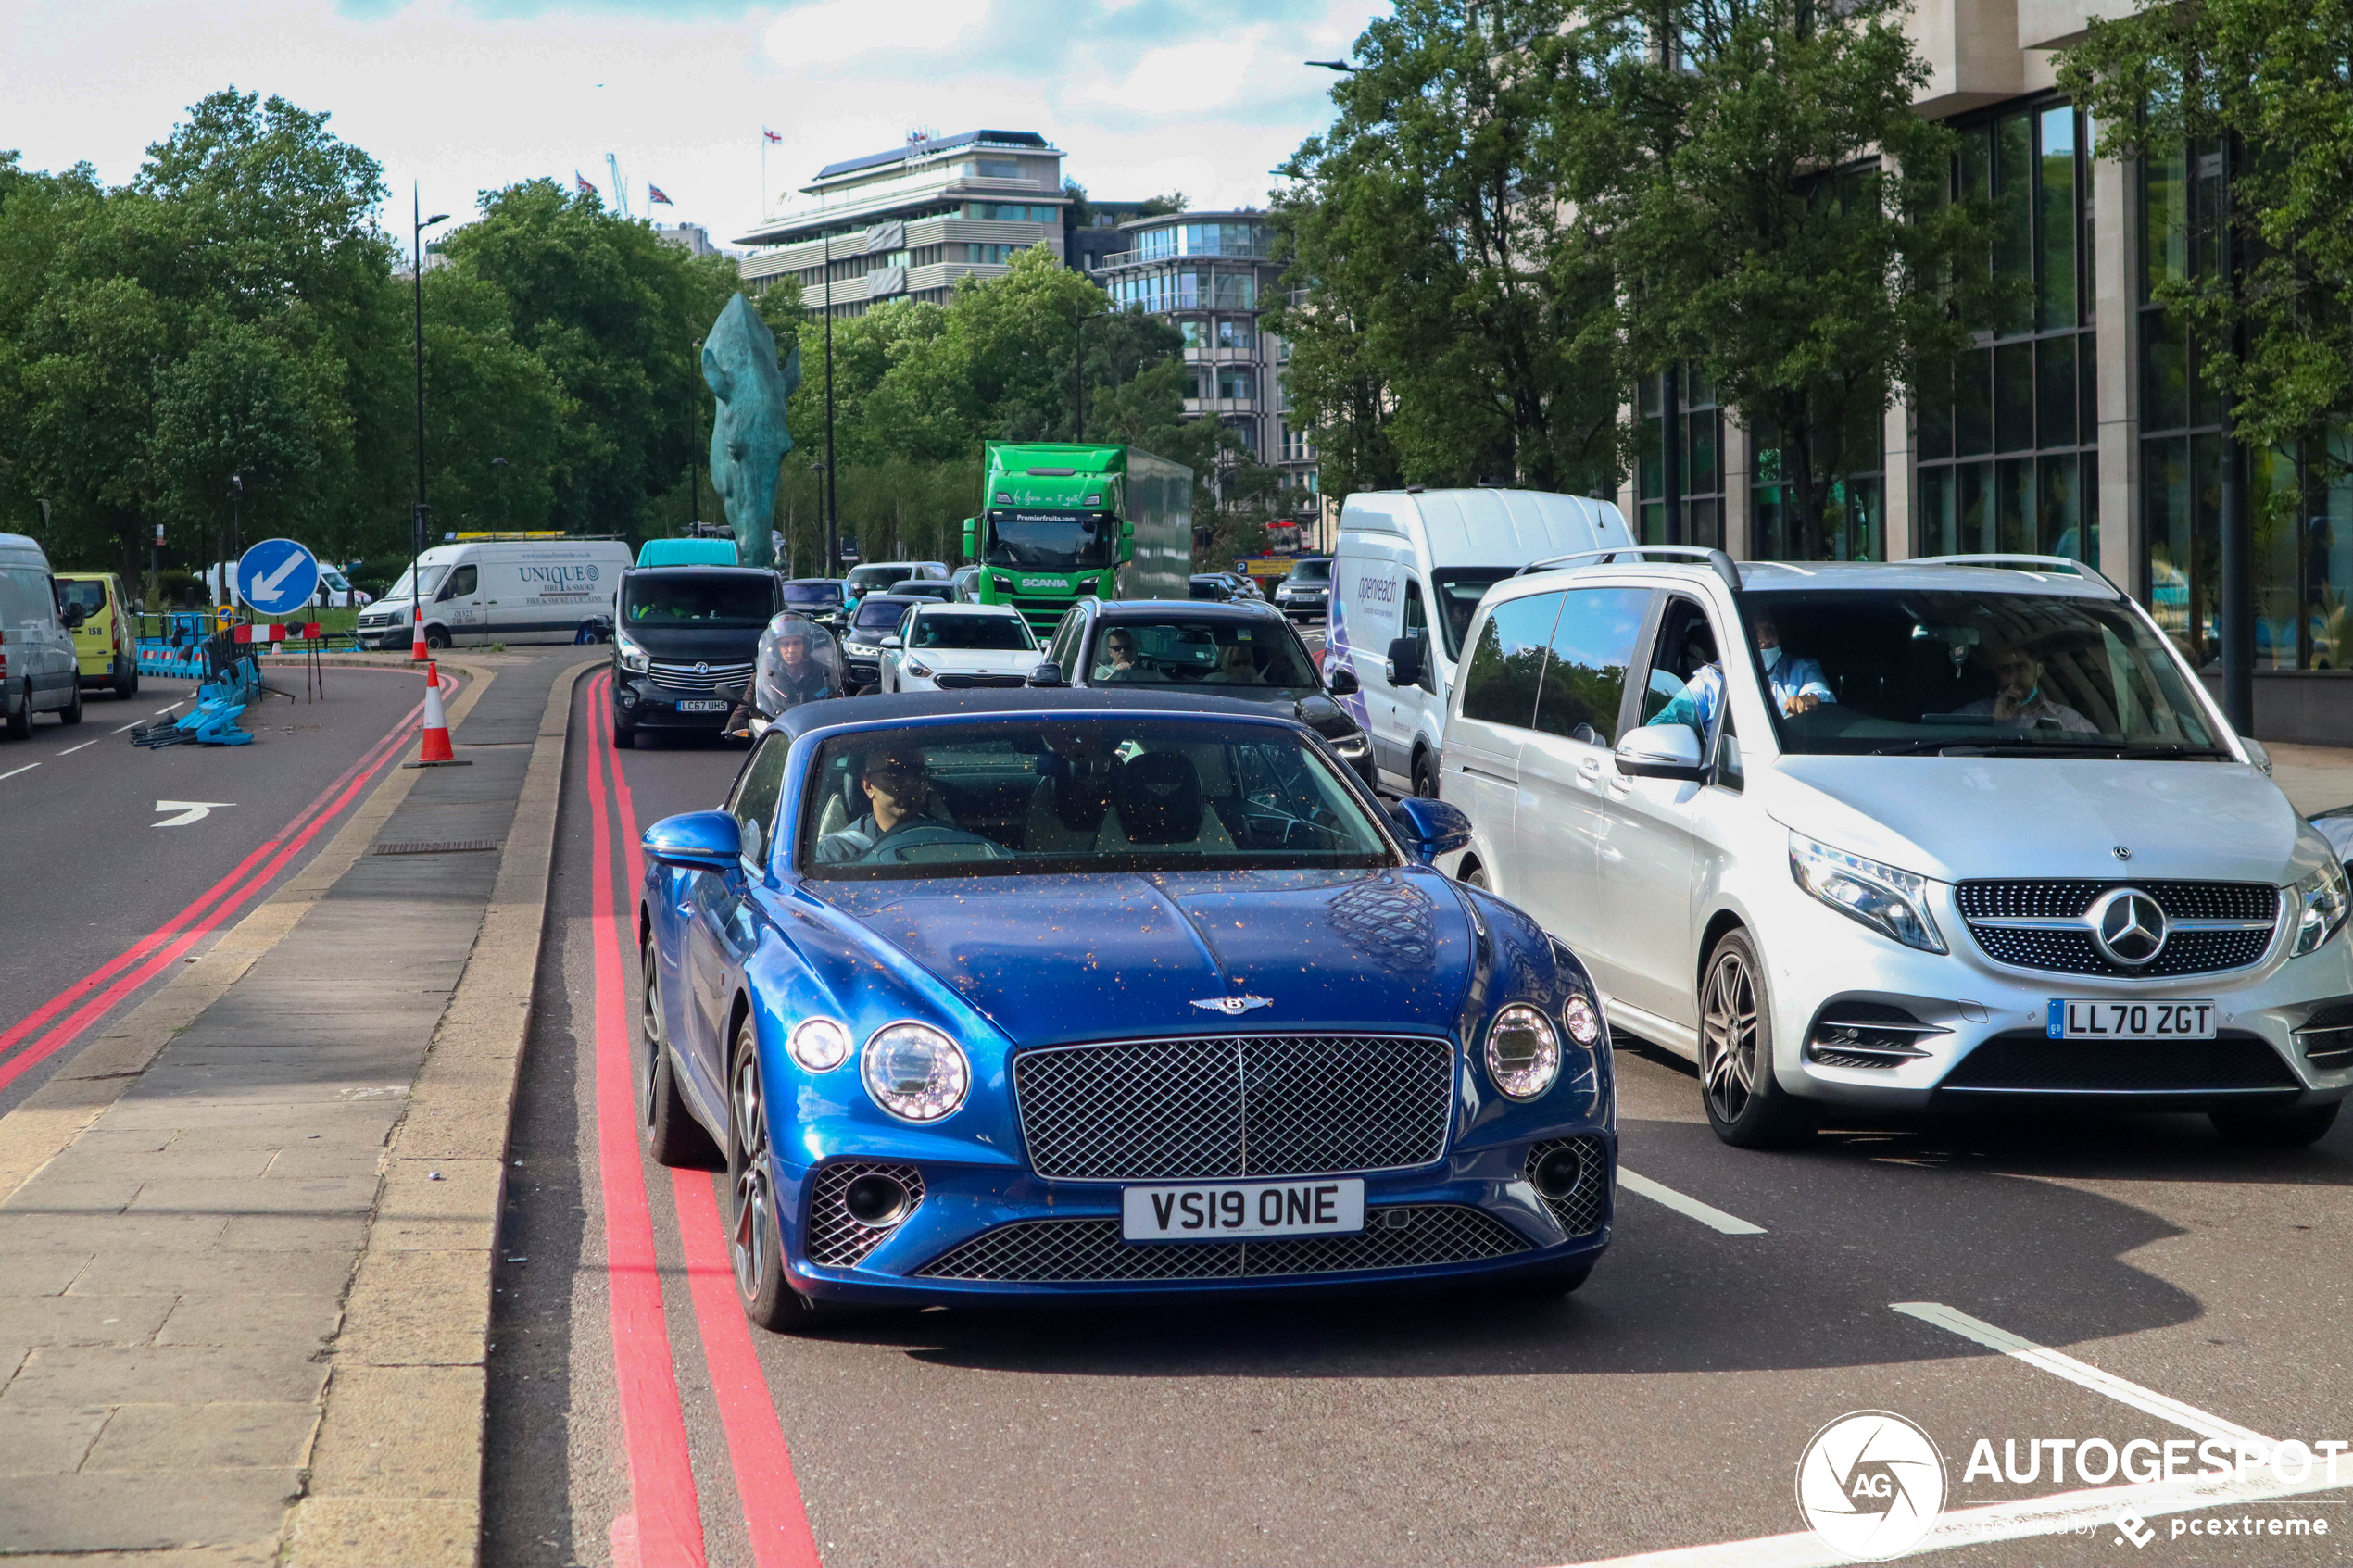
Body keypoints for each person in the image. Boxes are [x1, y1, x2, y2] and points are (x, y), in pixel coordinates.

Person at [1656, 611, 1835, 738]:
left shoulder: (1801, 669)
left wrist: (1810, 699)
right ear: (1738, 635)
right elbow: (1661, 727)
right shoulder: (1710, 682)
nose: (1765, 640)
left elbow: (1820, 693)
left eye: (1770, 631)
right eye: (1755, 632)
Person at [813, 751, 937, 862]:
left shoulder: (943, 839)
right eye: (895, 774)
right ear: (868, 786)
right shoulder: (834, 854)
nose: (910, 782)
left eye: (919, 773)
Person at [1956, 644, 2099, 734]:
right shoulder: (1972, 716)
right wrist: (1996, 722)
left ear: (2039, 669)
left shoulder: (2068, 721)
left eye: (2022, 668)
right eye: (2005, 670)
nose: (2013, 679)